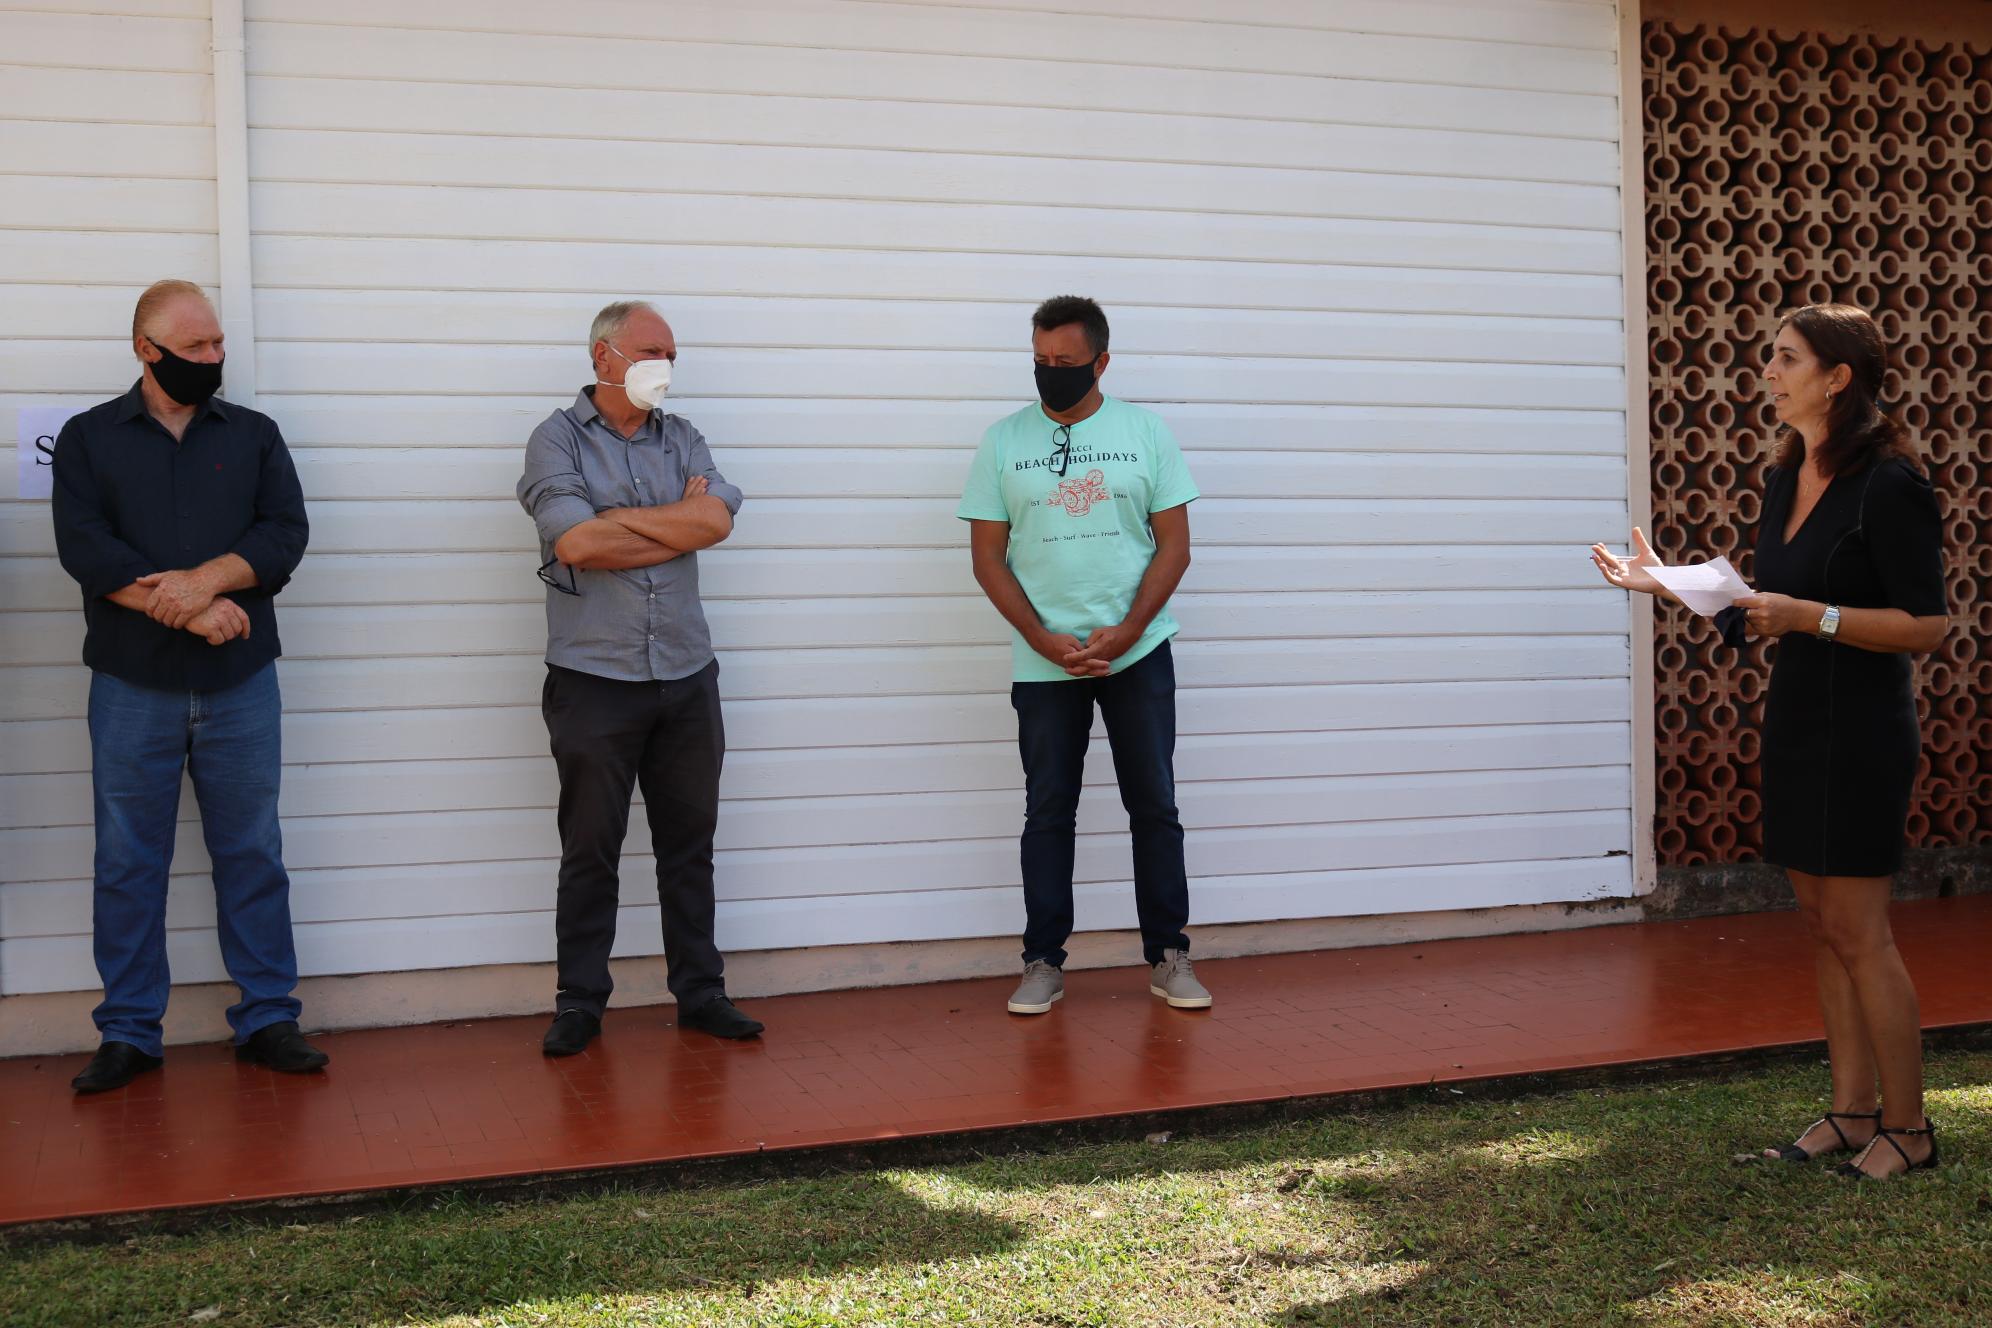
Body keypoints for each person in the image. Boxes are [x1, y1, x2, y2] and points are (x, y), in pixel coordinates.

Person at [1592, 303, 1949, 1179]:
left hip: (1863, 733)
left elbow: (1926, 625)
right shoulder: (1786, 477)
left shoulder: (1892, 485)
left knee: (1862, 933)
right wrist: (1670, 583)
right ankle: (1852, 1112)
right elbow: (1767, 603)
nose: (1769, 371)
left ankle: (1910, 1129)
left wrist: (1813, 617)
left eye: (1788, 358)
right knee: (1823, 928)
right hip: (1796, 722)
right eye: (1772, 356)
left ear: (1838, 379)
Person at [50, 279, 324, 1093]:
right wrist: (193, 613)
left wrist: (205, 582)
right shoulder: (88, 438)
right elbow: (86, 549)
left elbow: (284, 533)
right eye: (196, 346)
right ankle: (130, 1032)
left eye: (217, 343)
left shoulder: (255, 436)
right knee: (127, 862)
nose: (213, 357)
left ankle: (268, 1019)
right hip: (132, 686)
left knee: (253, 853)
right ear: (146, 349)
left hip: (241, 683)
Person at [516, 300, 762, 1053]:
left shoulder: (681, 436)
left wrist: (618, 521)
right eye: (652, 352)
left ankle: (701, 993)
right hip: (594, 677)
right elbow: (577, 544)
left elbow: (717, 520)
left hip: (687, 673)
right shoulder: (556, 439)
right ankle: (580, 1002)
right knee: (590, 849)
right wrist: (672, 523)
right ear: (604, 357)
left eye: (671, 356)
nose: (666, 367)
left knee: (690, 845)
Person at [957, 295, 1209, 1016]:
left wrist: (1129, 629)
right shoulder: (1002, 441)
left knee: (1153, 804)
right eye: (1040, 360)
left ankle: (1168, 955)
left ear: (1101, 362)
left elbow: (1175, 545)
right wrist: (1040, 637)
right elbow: (987, 557)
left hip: (1138, 651)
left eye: (1065, 361)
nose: (1050, 372)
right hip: (1046, 660)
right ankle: (1042, 962)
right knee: (1048, 810)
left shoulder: (1145, 432)